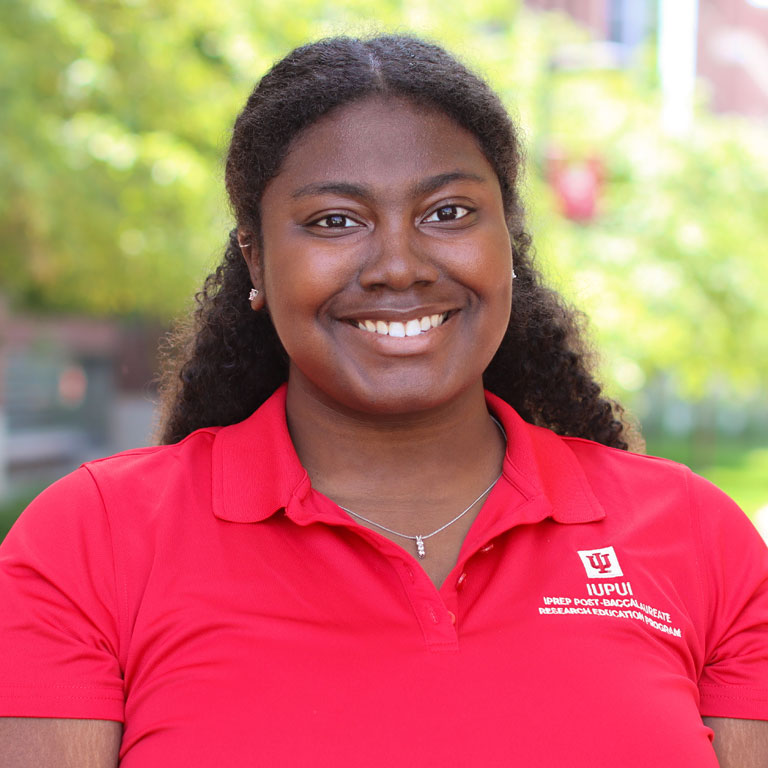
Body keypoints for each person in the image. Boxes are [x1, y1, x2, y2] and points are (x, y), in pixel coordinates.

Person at [0, 35, 766, 767]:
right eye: (336, 221)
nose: (399, 266)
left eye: (449, 213)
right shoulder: (90, 544)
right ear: (255, 256)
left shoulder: (702, 543)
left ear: (510, 241)